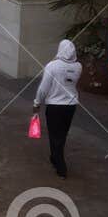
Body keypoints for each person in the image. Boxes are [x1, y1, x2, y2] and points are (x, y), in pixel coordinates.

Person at [33, 38, 81, 177]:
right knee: (62, 134)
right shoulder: (78, 66)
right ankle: (55, 157)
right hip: (71, 105)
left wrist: (37, 103)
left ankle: (60, 165)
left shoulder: (52, 66)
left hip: (55, 105)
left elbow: (43, 88)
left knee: (54, 135)